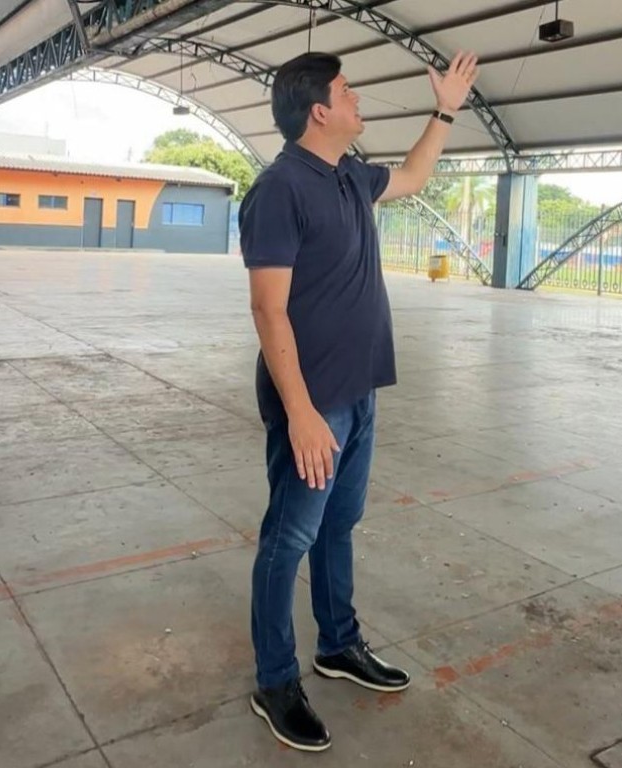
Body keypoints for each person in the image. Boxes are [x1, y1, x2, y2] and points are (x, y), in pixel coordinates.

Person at [238, 49, 479, 752]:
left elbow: (412, 176)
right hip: (313, 403)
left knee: (339, 525)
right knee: (288, 538)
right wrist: (301, 413)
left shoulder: (348, 173)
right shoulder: (279, 189)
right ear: (319, 111)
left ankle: (337, 645)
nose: (357, 98)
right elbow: (267, 310)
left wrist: (445, 112)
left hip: (359, 389)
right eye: (347, 91)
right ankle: (275, 681)